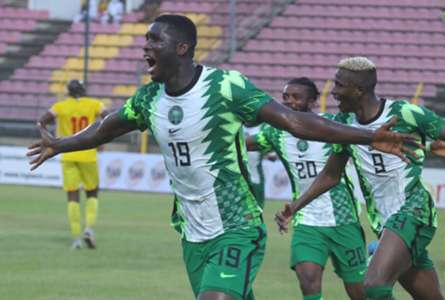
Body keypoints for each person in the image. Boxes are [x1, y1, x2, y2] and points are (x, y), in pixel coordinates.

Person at [27, 15, 417, 300]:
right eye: (146, 40)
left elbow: (294, 122)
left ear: (181, 48)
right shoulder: (148, 99)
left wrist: (368, 136)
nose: (145, 47)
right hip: (192, 232)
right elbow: (106, 128)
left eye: (154, 40)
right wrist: (59, 144)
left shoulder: (225, 87)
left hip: (237, 225)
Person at [275, 57, 445, 300]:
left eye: (338, 85)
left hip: (413, 209)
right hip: (384, 221)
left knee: (374, 285)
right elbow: (331, 175)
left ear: (358, 90)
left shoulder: (404, 113)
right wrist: (295, 207)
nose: (333, 92)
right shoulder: (346, 125)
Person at [246, 77, 366, 300]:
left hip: (343, 219)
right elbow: (244, 144)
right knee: (307, 279)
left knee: (359, 290)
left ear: (312, 100)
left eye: (296, 97)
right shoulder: (276, 133)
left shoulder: (333, 125)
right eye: (285, 97)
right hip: (306, 220)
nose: (289, 102)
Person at [38, 79, 107, 249]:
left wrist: (48, 138)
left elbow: (42, 121)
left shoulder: (60, 106)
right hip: (89, 154)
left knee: (72, 195)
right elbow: (108, 117)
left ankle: (76, 238)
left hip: (67, 154)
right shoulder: (95, 104)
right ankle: (89, 229)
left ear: (68, 91)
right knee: (92, 193)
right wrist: (102, 139)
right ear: (84, 90)